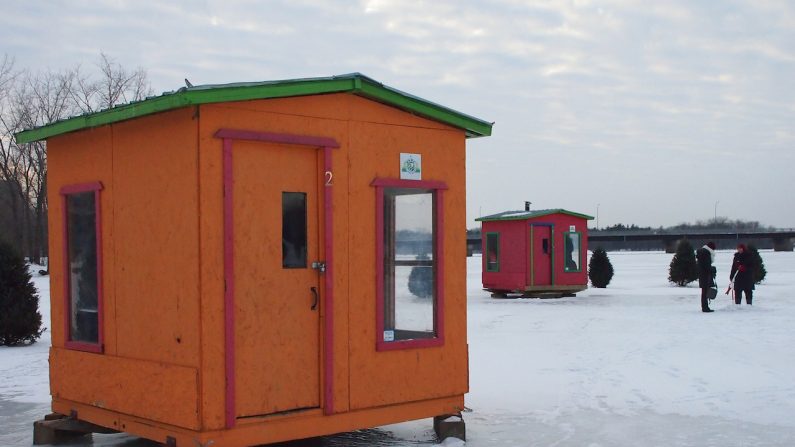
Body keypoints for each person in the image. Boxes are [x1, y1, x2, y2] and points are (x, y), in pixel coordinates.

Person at [696, 241, 717, 312]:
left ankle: (705, 307)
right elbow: (707, 266)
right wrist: (713, 269)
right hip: (706, 275)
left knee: (704, 291)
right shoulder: (706, 253)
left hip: (702, 274)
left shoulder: (702, 253)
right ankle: (705, 308)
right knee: (705, 292)